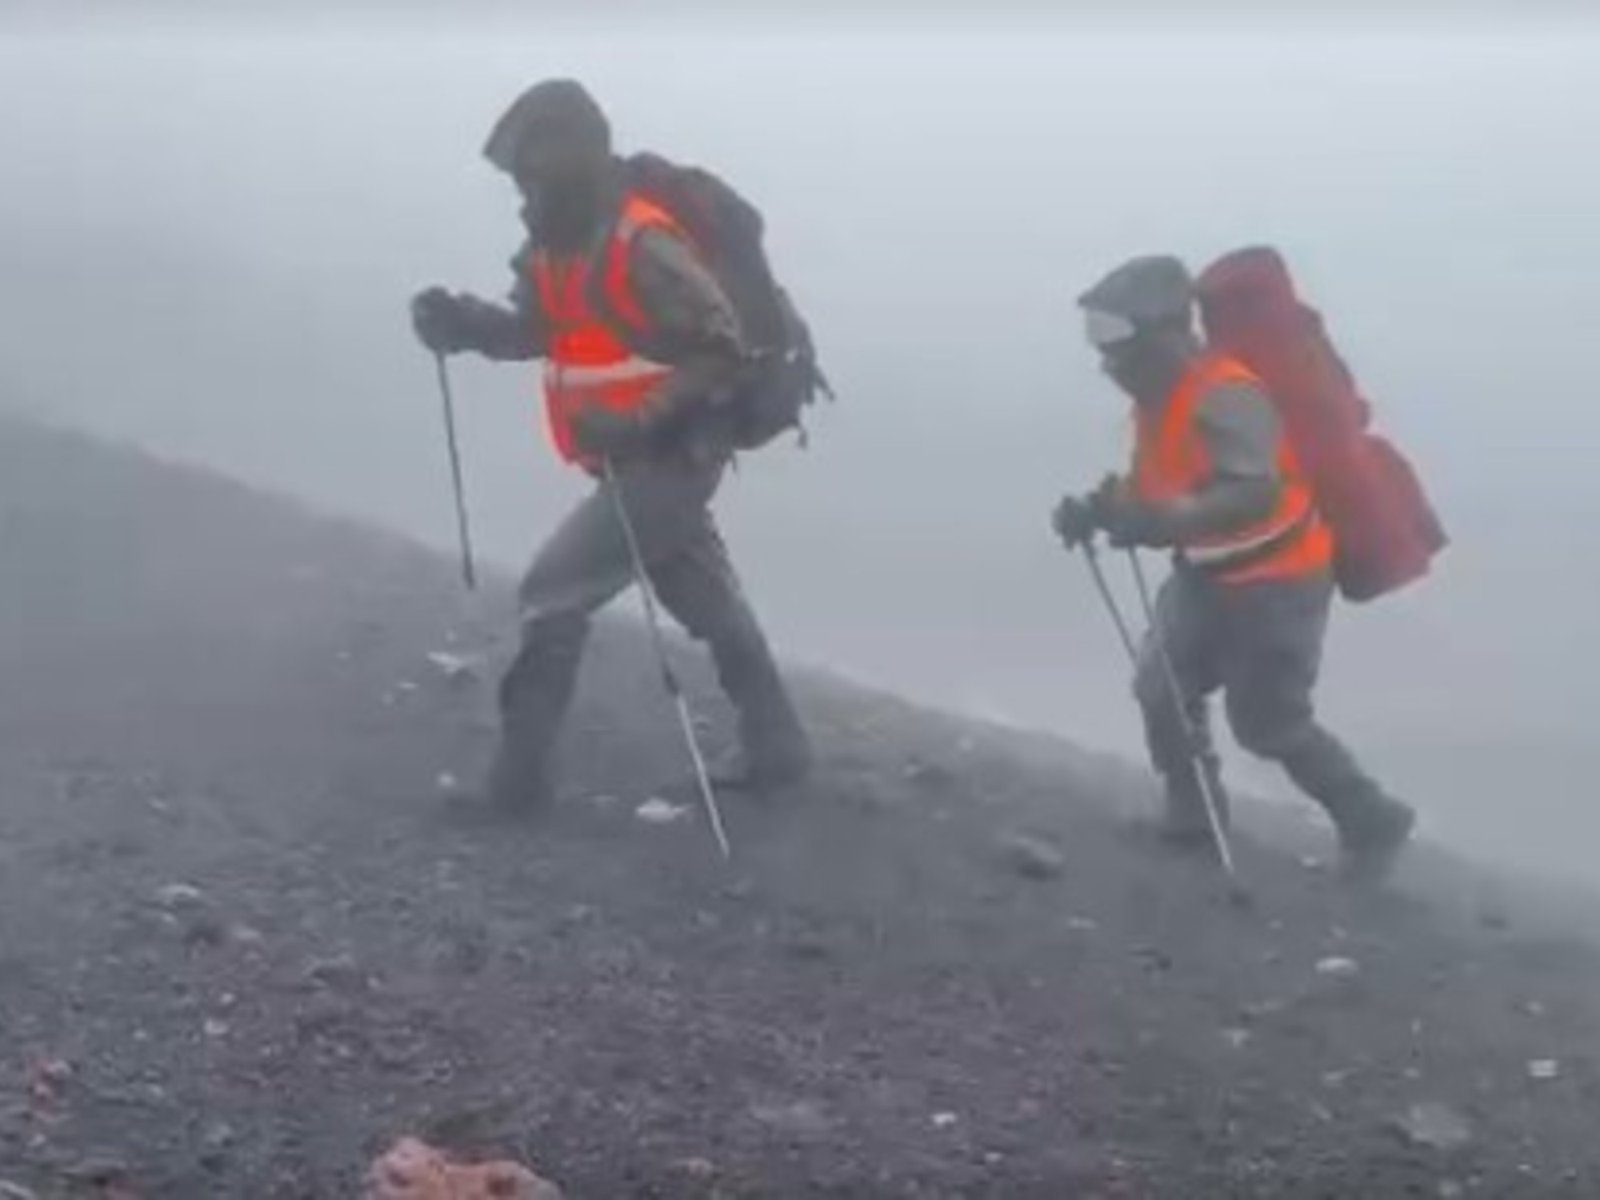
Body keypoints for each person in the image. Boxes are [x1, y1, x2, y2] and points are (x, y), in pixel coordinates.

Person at [409, 79, 811, 813]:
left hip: (672, 455)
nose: (523, 193)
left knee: (551, 592)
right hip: (633, 456)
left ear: (569, 162)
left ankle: (516, 786)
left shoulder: (642, 242)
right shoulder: (555, 245)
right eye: (519, 179)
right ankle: (778, 748)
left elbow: (721, 350)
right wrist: (462, 324)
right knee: (703, 598)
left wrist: (636, 420)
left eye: (531, 175)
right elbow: (535, 330)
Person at [1052, 255, 1415, 880]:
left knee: (1269, 724)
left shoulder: (1226, 394)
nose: (1106, 358)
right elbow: (1160, 481)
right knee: (1161, 690)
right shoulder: (1157, 400)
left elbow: (1253, 493)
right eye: (1096, 336)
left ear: (1166, 331)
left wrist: (1159, 520)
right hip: (1205, 574)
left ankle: (1372, 817)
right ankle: (1193, 819)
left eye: (1114, 335)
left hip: (1278, 584)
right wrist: (1100, 508)